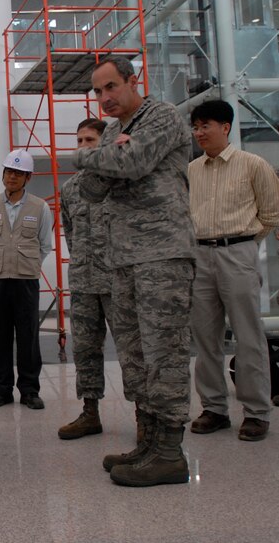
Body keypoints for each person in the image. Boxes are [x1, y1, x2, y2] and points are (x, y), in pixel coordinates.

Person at [73, 57, 196, 487]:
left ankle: (170, 453)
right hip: (121, 257)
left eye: (111, 87)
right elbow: (89, 191)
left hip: (162, 252)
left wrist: (90, 156)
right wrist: (108, 152)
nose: (105, 98)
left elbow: (132, 164)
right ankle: (148, 443)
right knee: (136, 355)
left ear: (132, 81)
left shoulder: (161, 116)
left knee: (165, 352)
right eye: (98, 92)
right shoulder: (111, 131)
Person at [187, 99, 279, 442]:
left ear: (225, 127)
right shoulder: (192, 170)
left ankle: (256, 412)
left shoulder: (253, 165)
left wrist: (243, 246)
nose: (199, 133)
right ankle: (214, 408)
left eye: (205, 126)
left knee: (248, 335)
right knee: (205, 338)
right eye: (195, 127)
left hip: (238, 252)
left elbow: (271, 214)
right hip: (200, 254)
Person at [0, 149, 52, 411]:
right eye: (9, 171)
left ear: (27, 178)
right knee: (0, 335)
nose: (12, 177)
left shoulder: (40, 207)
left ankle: (30, 390)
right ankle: (2, 389)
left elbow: (45, 245)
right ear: (3, 174)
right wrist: (2, 261)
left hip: (26, 282)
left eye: (18, 173)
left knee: (28, 335)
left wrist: (25, 265)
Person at [57, 118, 114, 440]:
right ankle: (90, 412)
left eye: (89, 140)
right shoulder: (71, 188)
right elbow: (71, 232)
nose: (83, 146)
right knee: (85, 350)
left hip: (118, 281)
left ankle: (144, 416)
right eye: (79, 141)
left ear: (105, 144)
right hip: (83, 280)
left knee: (132, 353)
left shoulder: (122, 184)